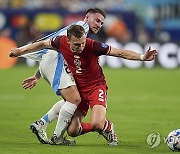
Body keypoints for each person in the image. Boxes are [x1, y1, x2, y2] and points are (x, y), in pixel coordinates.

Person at [9, 25, 157, 146]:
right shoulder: (60, 42)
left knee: (97, 123)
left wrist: (143, 57)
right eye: (77, 44)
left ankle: (108, 127)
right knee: (73, 131)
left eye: (83, 43)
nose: (81, 47)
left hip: (96, 87)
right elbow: (42, 44)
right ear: (68, 40)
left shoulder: (93, 46)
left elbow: (120, 53)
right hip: (79, 91)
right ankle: (51, 125)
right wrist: (21, 51)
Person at [17, 8, 106, 145]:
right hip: (54, 61)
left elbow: (54, 47)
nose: (99, 25)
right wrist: (21, 51)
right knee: (74, 99)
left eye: (101, 23)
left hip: (49, 61)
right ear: (87, 17)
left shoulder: (78, 30)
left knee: (71, 99)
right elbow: (53, 45)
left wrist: (37, 75)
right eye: (97, 20)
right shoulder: (82, 28)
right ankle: (57, 137)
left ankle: (41, 123)